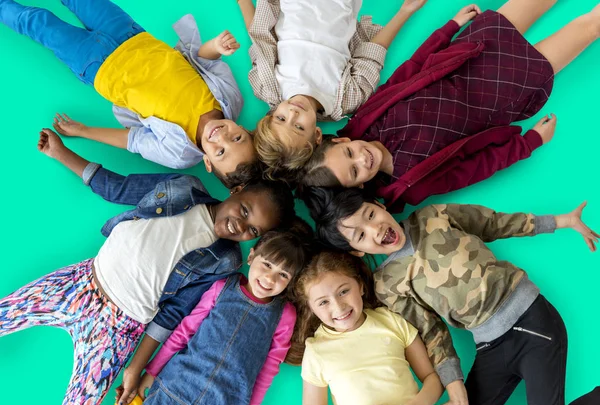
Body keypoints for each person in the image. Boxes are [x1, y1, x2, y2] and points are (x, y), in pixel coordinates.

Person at [0, 129, 296, 405]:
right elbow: (118, 187)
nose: (241, 225)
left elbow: (174, 314)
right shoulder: (183, 187)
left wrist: (136, 368)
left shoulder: (225, 261)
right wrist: (60, 153)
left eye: (253, 230)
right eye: (245, 210)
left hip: (118, 329)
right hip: (81, 282)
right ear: (237, 190)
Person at [303, 185, 600, 405]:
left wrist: (559, 221)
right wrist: (456, 392)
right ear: (357, 251)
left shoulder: (433, 217)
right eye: (361, 235)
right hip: (490, 345)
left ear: (380, 205)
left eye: (371, 215)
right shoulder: (387, 284)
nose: (376, 229)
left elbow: (494, 223)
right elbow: (433, 333)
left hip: (531, 322)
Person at [300, 1, 600, 212]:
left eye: (349, 153)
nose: (361, 160)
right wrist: (528, 143)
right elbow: (475, 168)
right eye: (354, 172)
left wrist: (448, 29)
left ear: (341, 140)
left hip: (476, 49)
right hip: (507, 90)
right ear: (357, 187)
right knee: (590, 26)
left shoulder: (368, 118)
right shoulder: (410, 183)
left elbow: (412, 68)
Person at [0, 0, 258, 185]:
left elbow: (133, 140)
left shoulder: (179, 154)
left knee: (37, 23)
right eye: (237, 139)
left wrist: (83, 131)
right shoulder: (232, 99)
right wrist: (216, 46)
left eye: (220, 152)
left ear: (208, 163)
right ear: (245, 131)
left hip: (99, 66)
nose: (222, 137)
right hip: (132, 36)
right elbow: (205, 61)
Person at [124, 228, 311, 405]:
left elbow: (268, 370)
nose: (270, 278)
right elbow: (183, 332)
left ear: (290, 282)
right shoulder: (222, 287)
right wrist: (151, 371)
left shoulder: (284, 315)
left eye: (283, 275)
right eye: (267, 265)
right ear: (251, 257)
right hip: (174, 390)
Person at [238, 0, 427, 181]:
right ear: (317, 135)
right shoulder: (345, 100)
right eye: (299, 127)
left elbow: (260, 38)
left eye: (281, 119)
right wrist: (406, 10)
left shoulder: (268, 87)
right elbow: (372, 55)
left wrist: (243, 2)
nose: (293, 114)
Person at [295, 250, 443, 405]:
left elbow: (433, 379)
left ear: (361, 287)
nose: (338, 307)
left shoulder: (392, 322)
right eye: (323, 302)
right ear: (312, 309)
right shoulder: (316, 351)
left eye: (344, 291)